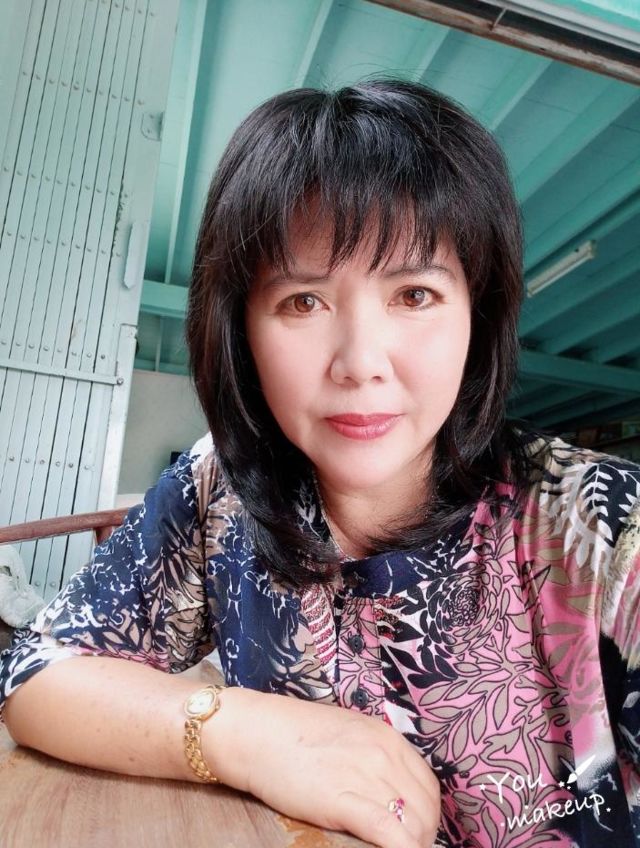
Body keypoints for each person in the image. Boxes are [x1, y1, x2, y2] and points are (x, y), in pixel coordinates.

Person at [0, 79, 639, 848]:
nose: (361, 362)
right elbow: (35, 671)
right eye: (303, 301)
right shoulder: (221, 492)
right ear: (240, 330)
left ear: (479, 312)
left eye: (414, 295)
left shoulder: (602, 524)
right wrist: (235, 729)